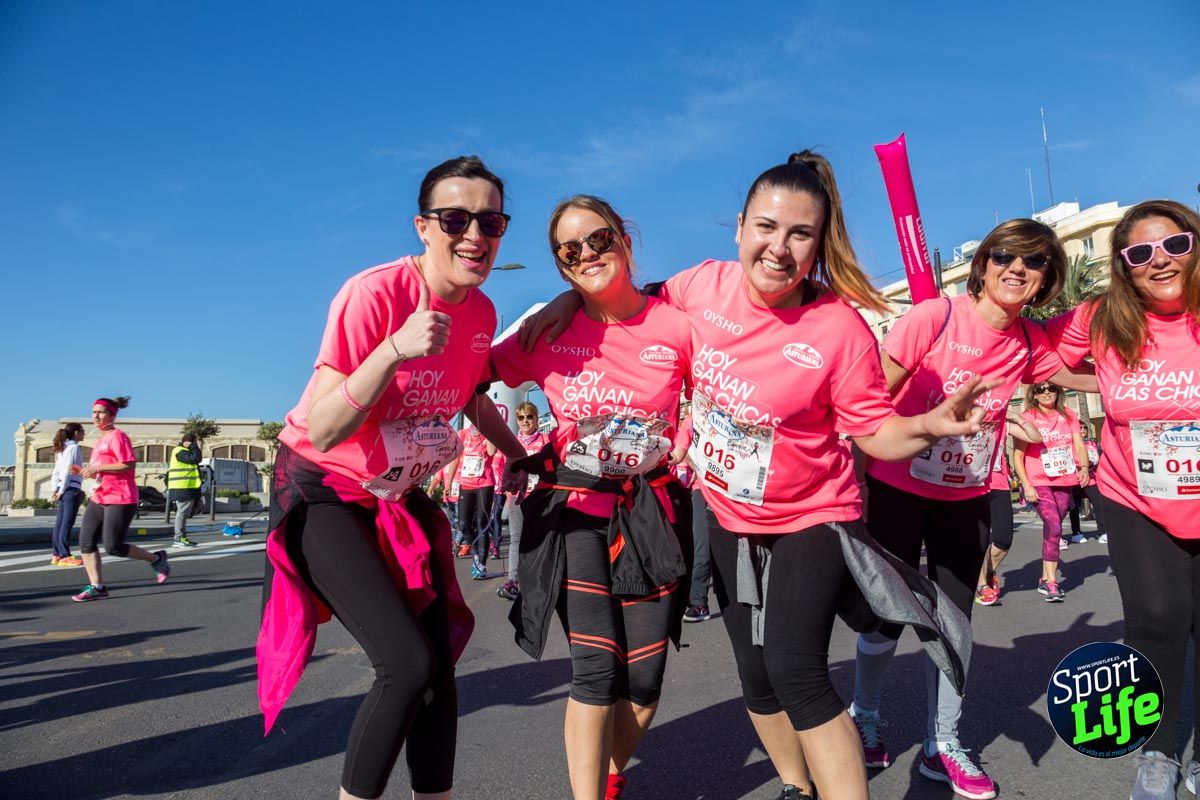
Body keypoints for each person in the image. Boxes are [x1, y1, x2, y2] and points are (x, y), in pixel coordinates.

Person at [522, 155, 994, 800]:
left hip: (813, 514)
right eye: (767, 228)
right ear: (740, 227)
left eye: (800, 234)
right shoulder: (701, 287)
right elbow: (625, 296)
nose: (779, 248)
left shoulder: (838, 330)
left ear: (817, 244)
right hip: (727, 512)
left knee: (796, 671)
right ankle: (799, 786)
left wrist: (932, 426)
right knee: (756, 675)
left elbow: (873, 433)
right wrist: (566, 295)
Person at [256, 155, 527, 800]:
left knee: (438, 670)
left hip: (395, 497)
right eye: (455, 219)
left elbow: (470, 395)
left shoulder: (482, 312)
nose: (475, 236)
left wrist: (514, 452)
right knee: (404, 665)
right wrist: (393, 349)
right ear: (423, 227)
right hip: (323, 493)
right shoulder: (372, 294)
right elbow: (320, 428)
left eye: (491, 221)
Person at [852, 217, 1098, 798]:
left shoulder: (1029, 342)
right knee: (886, 616)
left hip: (964, 497)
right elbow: (868, 399)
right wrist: (857, 478)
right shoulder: (933, 317)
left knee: (955, 623)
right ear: (983, 266)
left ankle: (944, 744)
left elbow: (1093, 375)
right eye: (1006, 256)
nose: (1018, 267)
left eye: (1034, 261)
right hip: (895, 486)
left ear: (1045, 280)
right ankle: (865, 718)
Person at [492, 195, 695, 800]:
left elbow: (711, 396)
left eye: (598, 239)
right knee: (596, 669)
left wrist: (686, 441)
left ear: (624, 238)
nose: (586, 255)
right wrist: (514, 450)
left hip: (650, 512)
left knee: (646, 679)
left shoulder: (677, 324)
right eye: (569, 251)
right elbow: (466, 378)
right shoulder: (545, 330)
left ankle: (608, 776)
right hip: (572, 511)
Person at [1044, 200, 1200, 799]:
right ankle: (1158, 753)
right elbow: (1042, 357)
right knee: (1157, 620)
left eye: (1174, 246)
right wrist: (1100, 380)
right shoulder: (1103, 318)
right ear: (1124, 267)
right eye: (1139, 254)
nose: (1159, 261)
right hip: (1135, 497)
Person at [72, 396, 171, 602]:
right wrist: (83, 471)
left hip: (121, 497)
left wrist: (97, 467)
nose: (96, 416)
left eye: (101, 412)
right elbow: (102, 471)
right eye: (94, 412)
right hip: (100, 496)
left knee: (113, 547)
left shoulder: (118, 437)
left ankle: (156, 559)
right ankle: (97, 587)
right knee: (86, 542)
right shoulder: (99, 441)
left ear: (112, 415)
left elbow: (128, 464)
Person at [1011, 382, 1088, 601]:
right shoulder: (1027, 417)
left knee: (1052, 528)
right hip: (1038, 481)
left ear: (1058, 391)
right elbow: (1018, 455)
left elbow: (1079, 444)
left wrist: (1083, 467)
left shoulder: (1069, 414)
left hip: (1064, 479)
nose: (1046, 392)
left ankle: (1045, 577)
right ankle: (1052, 583)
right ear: (1033, 394)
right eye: (1040, 389)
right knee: (1054, 525)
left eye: (1051, 388)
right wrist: (1026, 485)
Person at [974, 408, 1042, 606]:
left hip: (999, 484)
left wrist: (1017, 418)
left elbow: (1035, 437)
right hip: (972, 485)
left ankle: (988, 570)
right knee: (980, 540)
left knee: (1003, 540)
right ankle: (981, 585)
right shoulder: (967, 416)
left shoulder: (1004, 423)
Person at [496, 400, 548, 601]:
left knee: (540, 537)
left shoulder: (545, 441)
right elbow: (501, 465)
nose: (525, 421)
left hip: (540, 496)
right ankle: (513, 580)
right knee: (517, 538)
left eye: (529, 416)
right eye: (521, 417)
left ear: (536, 418)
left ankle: (539, 578)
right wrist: (506, 487)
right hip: (517, 497)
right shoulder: (512, 443)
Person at [455, 420, 498, 578]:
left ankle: (481, 563)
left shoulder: (488, 433)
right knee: (463, 524)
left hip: (484, 484)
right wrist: (450, 480)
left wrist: (489, 433)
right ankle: (476, 551)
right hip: (466, 484)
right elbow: (455, 458)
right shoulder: (463, 434)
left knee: (481, 523)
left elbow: (492, 452)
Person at [49, 422, 86, 567]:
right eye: (82, 431)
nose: (84, 434)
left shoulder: (62, 448)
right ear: (76, 433)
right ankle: (65, 555)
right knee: (66, 523)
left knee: (59, 523)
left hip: (62, 488)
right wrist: (62, 490)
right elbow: (68, 471)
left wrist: (55, 489)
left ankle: (56, 554)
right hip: (71, 489)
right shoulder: (74, 447)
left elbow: (56, 471)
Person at [1067, 419, 1107, 544]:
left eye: (1084, 428)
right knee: (1074, 507)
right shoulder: (1070, 444)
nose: (1083, 430)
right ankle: (1076, 532)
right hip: (1075, 479)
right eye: (1080, 428)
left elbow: (1098, 458)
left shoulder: (1092, 443)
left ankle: (1103, 532)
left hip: (1091, 479)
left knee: (1099, 504)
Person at [167, 433, 203, 548]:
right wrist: (193, 447)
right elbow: (196, 458)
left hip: (186, 487)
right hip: (182, 487)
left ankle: (182, 537)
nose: (196, 444)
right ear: (189, 442)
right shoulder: (179, 451)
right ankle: (178, 539)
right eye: (195, 442)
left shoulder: (183, 451)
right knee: (182, 514)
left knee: (184, 514)